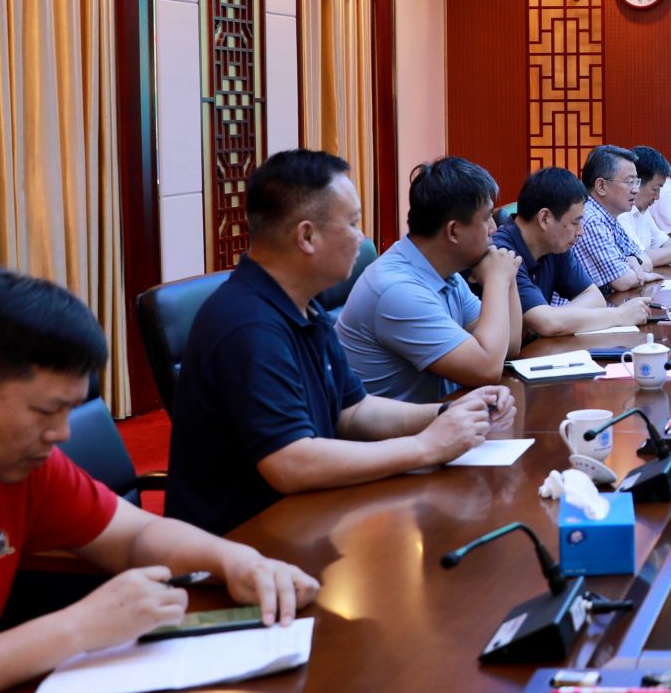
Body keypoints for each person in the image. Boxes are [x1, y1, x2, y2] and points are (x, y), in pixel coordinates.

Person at [0, 268, 318, 693]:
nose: (62, 434)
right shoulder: (6, 459)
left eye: (69, 410)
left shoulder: (17, 466)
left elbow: (133, 535)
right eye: (46, 411)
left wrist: (236, 561)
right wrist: (73, 629)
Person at [165, 151, 511, 536]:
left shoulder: (305, 307)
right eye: (352, 223)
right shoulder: (246, 324)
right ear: (307, 236)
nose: (362, 238)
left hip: (308, 520)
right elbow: (290, 462)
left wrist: (448, 412)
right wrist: (426, 447)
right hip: (243, 542)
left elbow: (354, 412)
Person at [336, 157, 522, 403]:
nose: (494, 229)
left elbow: (510, 345)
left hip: (445, 417)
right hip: (401, 427)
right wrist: (498, 278)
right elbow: (487, 369)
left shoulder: (445, 272)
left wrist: (507, 276)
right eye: (486, 218)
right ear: (454, 231)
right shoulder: (397, 290)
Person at [492, 168, 651, 338]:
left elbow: (594, 297)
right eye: (575, 222)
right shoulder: (502, 254)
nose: (581, 231)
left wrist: (553, 318)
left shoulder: (554, 244)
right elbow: (547, 323)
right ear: (545, 218)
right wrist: (620, 315)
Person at [569, 145, 659, 294]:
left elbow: (646, 261)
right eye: (629, 182)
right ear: (601, 186)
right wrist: (638, 270)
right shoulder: (591, 219)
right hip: (577, 307)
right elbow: (623, 281)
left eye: (636, 182)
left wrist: (632, 259)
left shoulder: (609, 217)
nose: (636, 189)